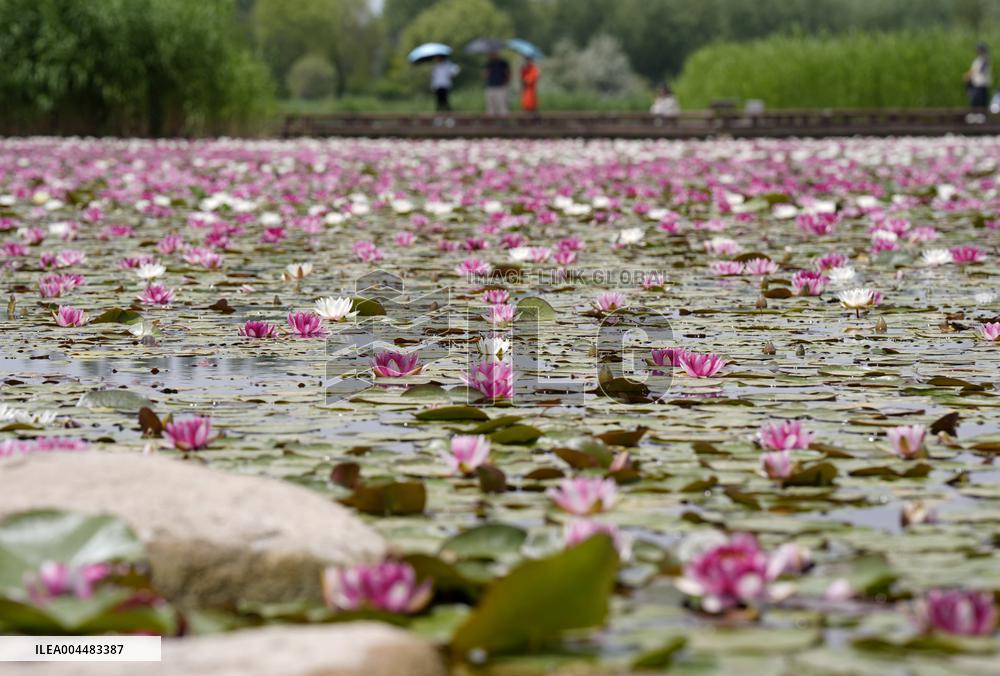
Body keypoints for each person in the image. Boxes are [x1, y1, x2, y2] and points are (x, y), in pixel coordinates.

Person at [484, 51, 510, 116]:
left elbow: (508, 73)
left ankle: (504, 121)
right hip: (490, 85)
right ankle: (491, 121)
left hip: (501, 86)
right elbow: (484, 75)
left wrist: (506, 82)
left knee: (502, 105)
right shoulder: (488, 64)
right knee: (491, 106)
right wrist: (486, 73)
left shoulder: (503, 63)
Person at [966, 43, 992, 110]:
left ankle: (981, 117)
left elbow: (975, 71)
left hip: (981, 85)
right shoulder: (978, 60)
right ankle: (976, 116)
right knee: (976, 103)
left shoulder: (984, 59)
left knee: (980, 103)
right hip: (976, 85)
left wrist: (968, 75)